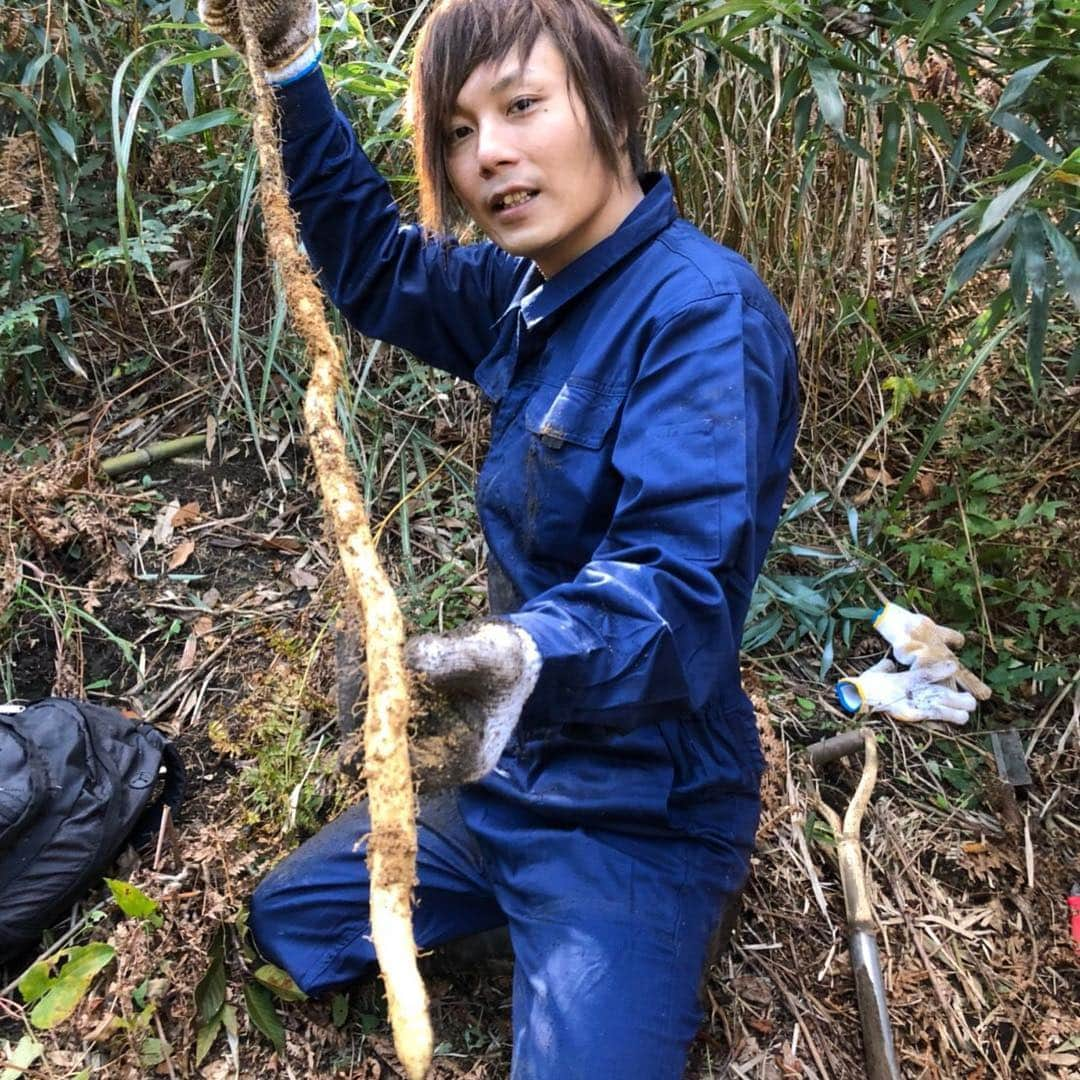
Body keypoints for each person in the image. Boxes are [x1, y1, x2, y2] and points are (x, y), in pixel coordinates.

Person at [199, 0, 800, 1074]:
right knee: (292, 925)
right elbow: (378, 269)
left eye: (522, 107)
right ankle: (523, 915)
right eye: (460, 130)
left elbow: (679, 588)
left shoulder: (702, 317)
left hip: (638, 806)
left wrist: (520, 655)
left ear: (612, 107)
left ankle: (626, 933)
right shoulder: (527, 289)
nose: (491, 156)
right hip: (510, 770)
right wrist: (292, 68)